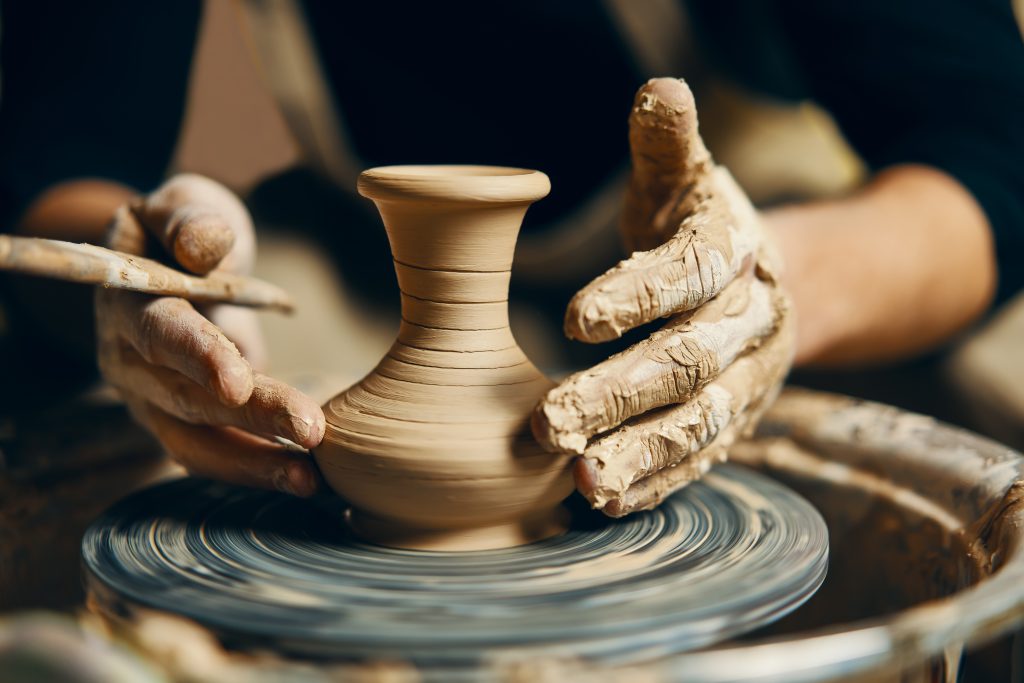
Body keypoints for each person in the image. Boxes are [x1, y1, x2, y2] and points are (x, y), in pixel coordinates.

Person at [1, 1, 1021, 510]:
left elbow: (994, 150)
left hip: (756, 220)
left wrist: (776, 281)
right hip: (392, 265)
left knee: (994, 403)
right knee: (158, 421)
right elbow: (63, 152)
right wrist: (135, 270)